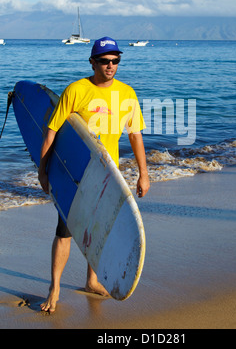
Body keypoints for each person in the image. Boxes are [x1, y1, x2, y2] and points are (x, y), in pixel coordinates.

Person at [38, 36, 150, 313]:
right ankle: (55, 287)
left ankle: (91, 279)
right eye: (104, 61)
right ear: (92, 62)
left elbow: (135, 134)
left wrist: (143, 173)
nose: (110, 65)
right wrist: (43, 169)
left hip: (108, 172)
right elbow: (52, 129)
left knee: (100, 226)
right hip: (76, 173)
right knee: (65, 230)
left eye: (115, 60)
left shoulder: (127, 93)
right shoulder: (76, 90)